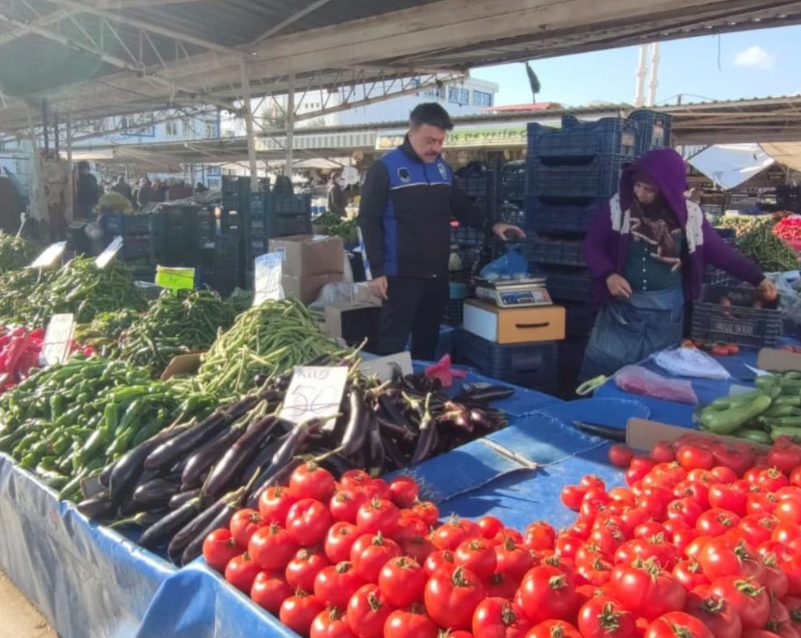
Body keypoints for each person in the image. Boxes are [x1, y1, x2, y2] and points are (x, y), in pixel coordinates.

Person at [581, 147, 777, 381]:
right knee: (604, 371)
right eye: (637, 185)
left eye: (649, 189)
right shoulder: (618, 208)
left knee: (654, 376)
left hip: (665, 314)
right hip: (621, 313)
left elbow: (719, 252)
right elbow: (592, 245)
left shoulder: (691, 217)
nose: (639, 193)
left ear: (667, 191)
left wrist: (757, 277)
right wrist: (608, 274)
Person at [358, 103, 525, 360]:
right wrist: (376, 271)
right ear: (411, 132)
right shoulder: (385, 169)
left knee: (428, 341)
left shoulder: (442, 168)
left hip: (437, 275)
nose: (435, 147)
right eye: (429, 140)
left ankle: (422, 394)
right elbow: (368, 220)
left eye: (440, 141)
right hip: (400, 276)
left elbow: (460, 206)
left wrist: (492, 225)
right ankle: (385, 394)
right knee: (393, 344)